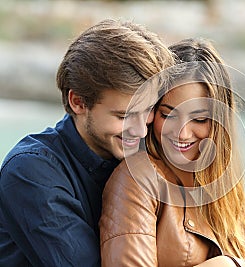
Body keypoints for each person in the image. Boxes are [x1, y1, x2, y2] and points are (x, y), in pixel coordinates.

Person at [0, 19, 174, 266]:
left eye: (148, 110)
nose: (140, 131)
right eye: (123, 116)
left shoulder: (146, 155)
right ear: (78, 102)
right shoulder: (29, 173)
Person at [100, 38, 245, 267]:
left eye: (200, 119)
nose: (182, 134)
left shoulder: (229, 195)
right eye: (168, 115)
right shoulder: (139, 178)